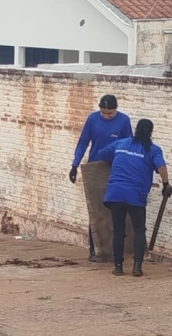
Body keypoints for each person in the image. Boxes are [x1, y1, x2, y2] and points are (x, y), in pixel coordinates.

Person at [98, 119, 171, 277]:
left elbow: (102, 154)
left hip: (115, 194)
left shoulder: (121, 144)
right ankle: (137, 267)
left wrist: (119, 160)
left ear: (136, 129)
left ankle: (118, 267)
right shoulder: (153, 150)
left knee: (118, 230)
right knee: (139, 230)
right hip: (136, 197)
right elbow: (162, 167)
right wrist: (166, 185)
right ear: (150, 132)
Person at [69, 94, 133, 262]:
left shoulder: (124, 121)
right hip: (95, 168)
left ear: (116, 110)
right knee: (96, 209)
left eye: (110, 113)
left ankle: (117, 250)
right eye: (103, 113)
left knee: (116, 209)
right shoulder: (92, 119)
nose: (106, 116)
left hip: (115, 168)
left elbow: (128, 144)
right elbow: (83, 142)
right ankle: (94, 249)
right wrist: (75, 165)